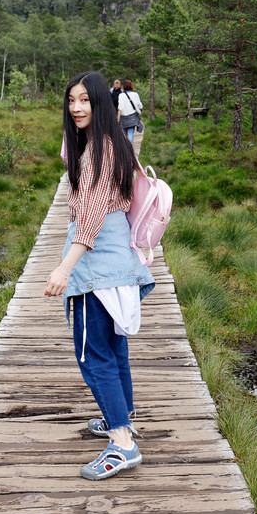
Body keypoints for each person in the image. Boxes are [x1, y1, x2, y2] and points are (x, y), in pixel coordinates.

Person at [45, 71, 155, 481]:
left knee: (94, 356)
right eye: (71, 100)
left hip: (97, 271)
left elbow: (89, 220)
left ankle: (123, 445)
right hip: (118, 264)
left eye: (85, 101)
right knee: (115, 348)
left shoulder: (99, 152)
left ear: (102, 103)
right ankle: (120, 417)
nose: (76, 108)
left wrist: (63, 268)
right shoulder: (114, 144)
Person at [117, 78, 145, 144]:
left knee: (125, 133)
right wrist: (140, 111)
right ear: (131, 86)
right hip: (132, 116)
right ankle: (129, 148)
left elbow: (120, 107)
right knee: (131, 132)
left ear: (123, 87)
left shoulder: (121, 95)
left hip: (123, 117)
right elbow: (139, 105)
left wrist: (118, 118)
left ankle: (126, 147)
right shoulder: (135, 94)